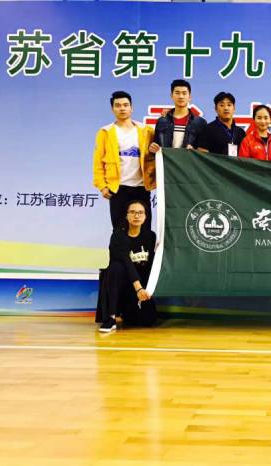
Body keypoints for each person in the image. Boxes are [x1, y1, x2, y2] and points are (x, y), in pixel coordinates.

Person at [93, 91, 155, 230]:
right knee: (119, 230)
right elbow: (98, 162)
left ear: (131, 108)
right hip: (118, 188)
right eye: (118, 105)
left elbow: (156, 155)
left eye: (126, 105)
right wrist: (102, 186)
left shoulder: (146, 131)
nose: (122, 108)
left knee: (144, 229)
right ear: (112, 109)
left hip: (141, 187)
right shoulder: (105, 132)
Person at [98, 200, 156, 333]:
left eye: (140, 212)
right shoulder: (118, 236)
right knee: (116, 267)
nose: (136, 216)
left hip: (141, 285)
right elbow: (126, 262)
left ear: (145, 216)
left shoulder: (150, 236)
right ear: (126, 215)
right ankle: (111, 317)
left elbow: (152, 264)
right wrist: (138, 288)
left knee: (147, 321)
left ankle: (129, 311)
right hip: (122, 284)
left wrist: (147, 290)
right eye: (133, 212)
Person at [149, 79, 207, 153]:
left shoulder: (200, 123)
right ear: (171, 95)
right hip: (167, 160)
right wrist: (152, 149)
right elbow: (156, 148)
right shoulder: (162, 121)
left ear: (190, 97)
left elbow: (205, 151)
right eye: (177, 93)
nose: (181, 96)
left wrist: (194, 151)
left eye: (184, 93)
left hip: (188, 160)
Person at [197, 91, 246, 156]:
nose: (226, 108)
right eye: (222, 105)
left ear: (234, 108)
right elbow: (202, 156)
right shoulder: (207, 130)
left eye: (229, 105)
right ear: (215, 108)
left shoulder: (241, 132)